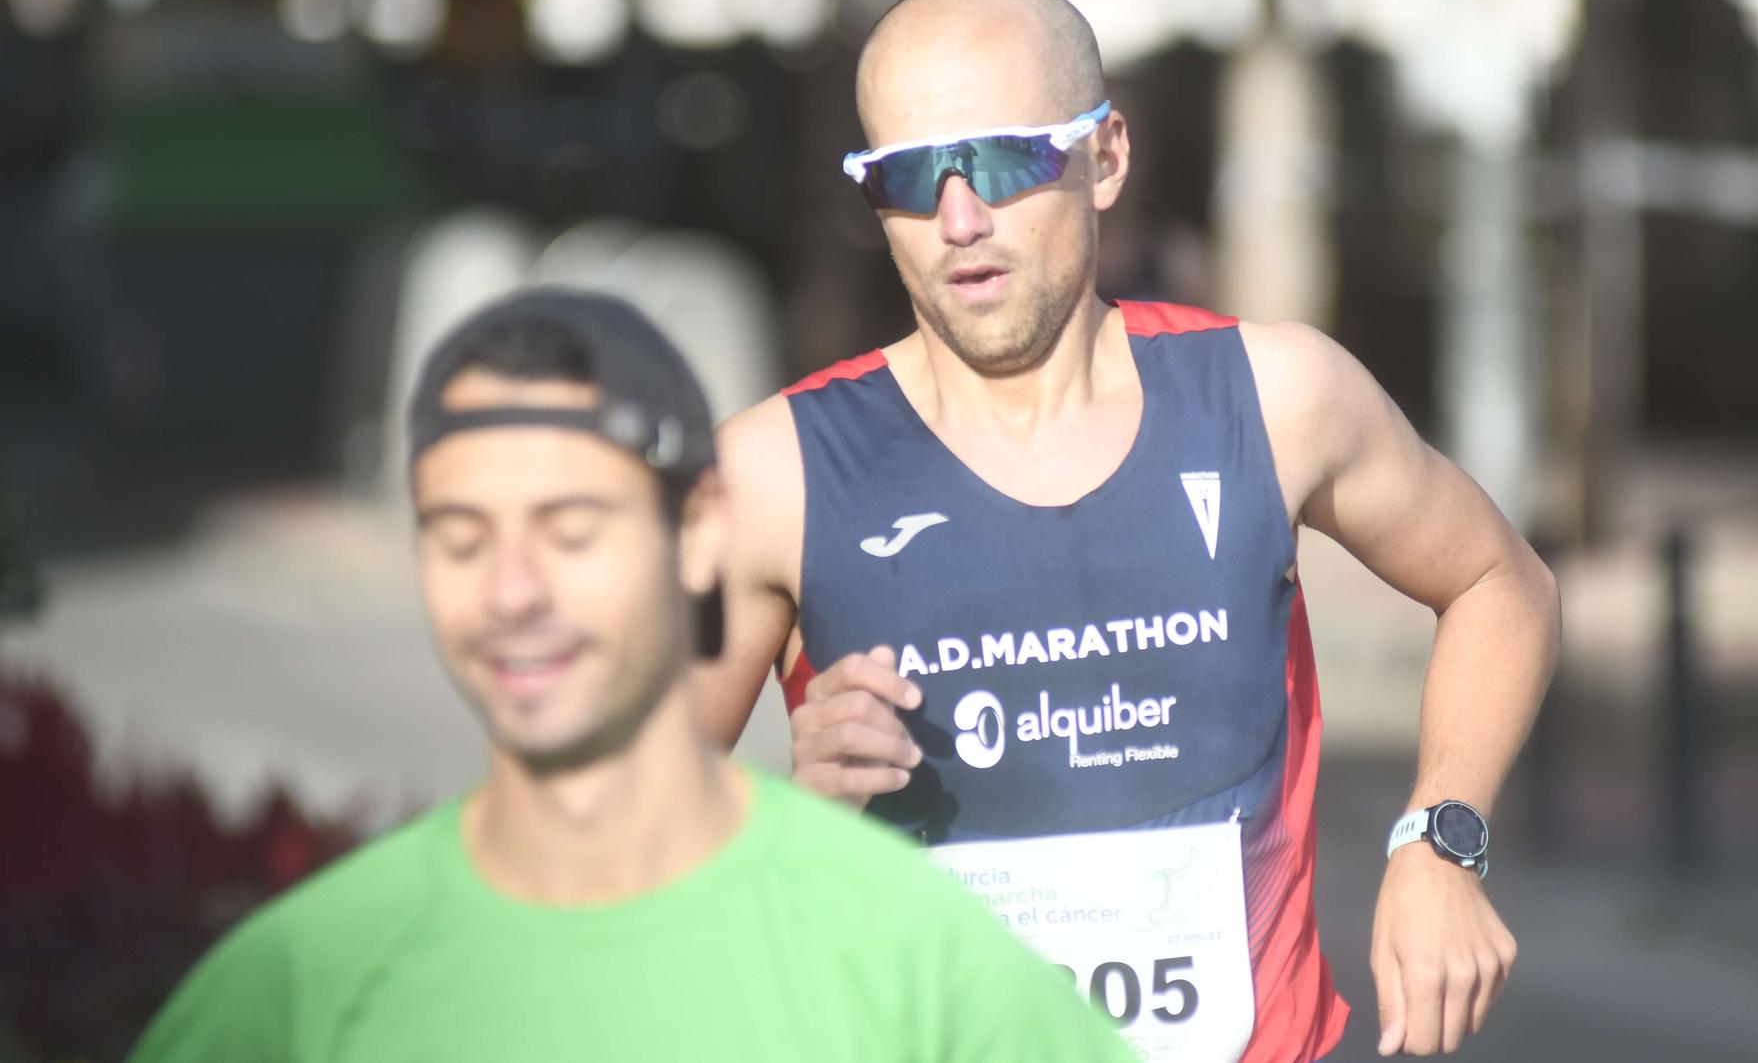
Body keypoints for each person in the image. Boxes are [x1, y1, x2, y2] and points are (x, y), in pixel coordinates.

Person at [699, 0, 1561, 1062]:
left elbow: (1498, 582)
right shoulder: (775, 473)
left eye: (1006, 160)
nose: (958, 218)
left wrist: (1440, 838)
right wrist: (791, 819)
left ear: (1104, 157)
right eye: (909, 178)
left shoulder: (1271, 396)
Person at [131, 287, 1132, 1063]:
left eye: (572, 530)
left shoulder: (920, 955)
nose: (514, 590)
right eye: (461, 536)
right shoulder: (298, 986)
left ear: (699, 532)